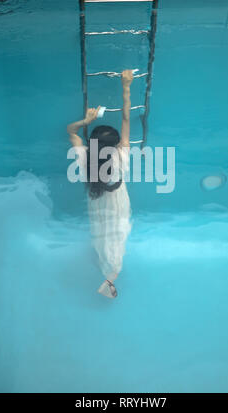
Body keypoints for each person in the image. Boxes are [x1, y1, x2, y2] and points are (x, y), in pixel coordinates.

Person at [67, 70, 133, 298]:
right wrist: (126, 87)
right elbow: (126, 119)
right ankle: (110, 279)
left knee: (101, 228)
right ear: (115, 145)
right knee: (117, 235)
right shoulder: (121, 156)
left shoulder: (85, 157)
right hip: (117, 201)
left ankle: (101, 255)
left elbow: (71, 131)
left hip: (96, 199)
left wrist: (86, 121)